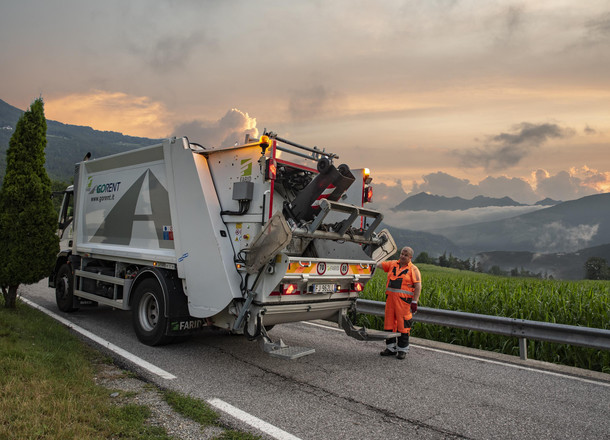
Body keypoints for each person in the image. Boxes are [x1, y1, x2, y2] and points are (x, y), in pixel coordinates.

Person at [378, 246, 422, 360]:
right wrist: (369, 261)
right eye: (402, 254)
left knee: (403, 327)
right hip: (391, 302)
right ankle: (390, 348)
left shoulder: (414, 269)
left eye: (406, 255)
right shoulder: (393, 264)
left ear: (410, 257)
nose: (403, 256)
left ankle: (402, 350)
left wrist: (414, 302)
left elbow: (418, 286)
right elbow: (379, 265)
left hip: (404, 303)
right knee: (389, 325)